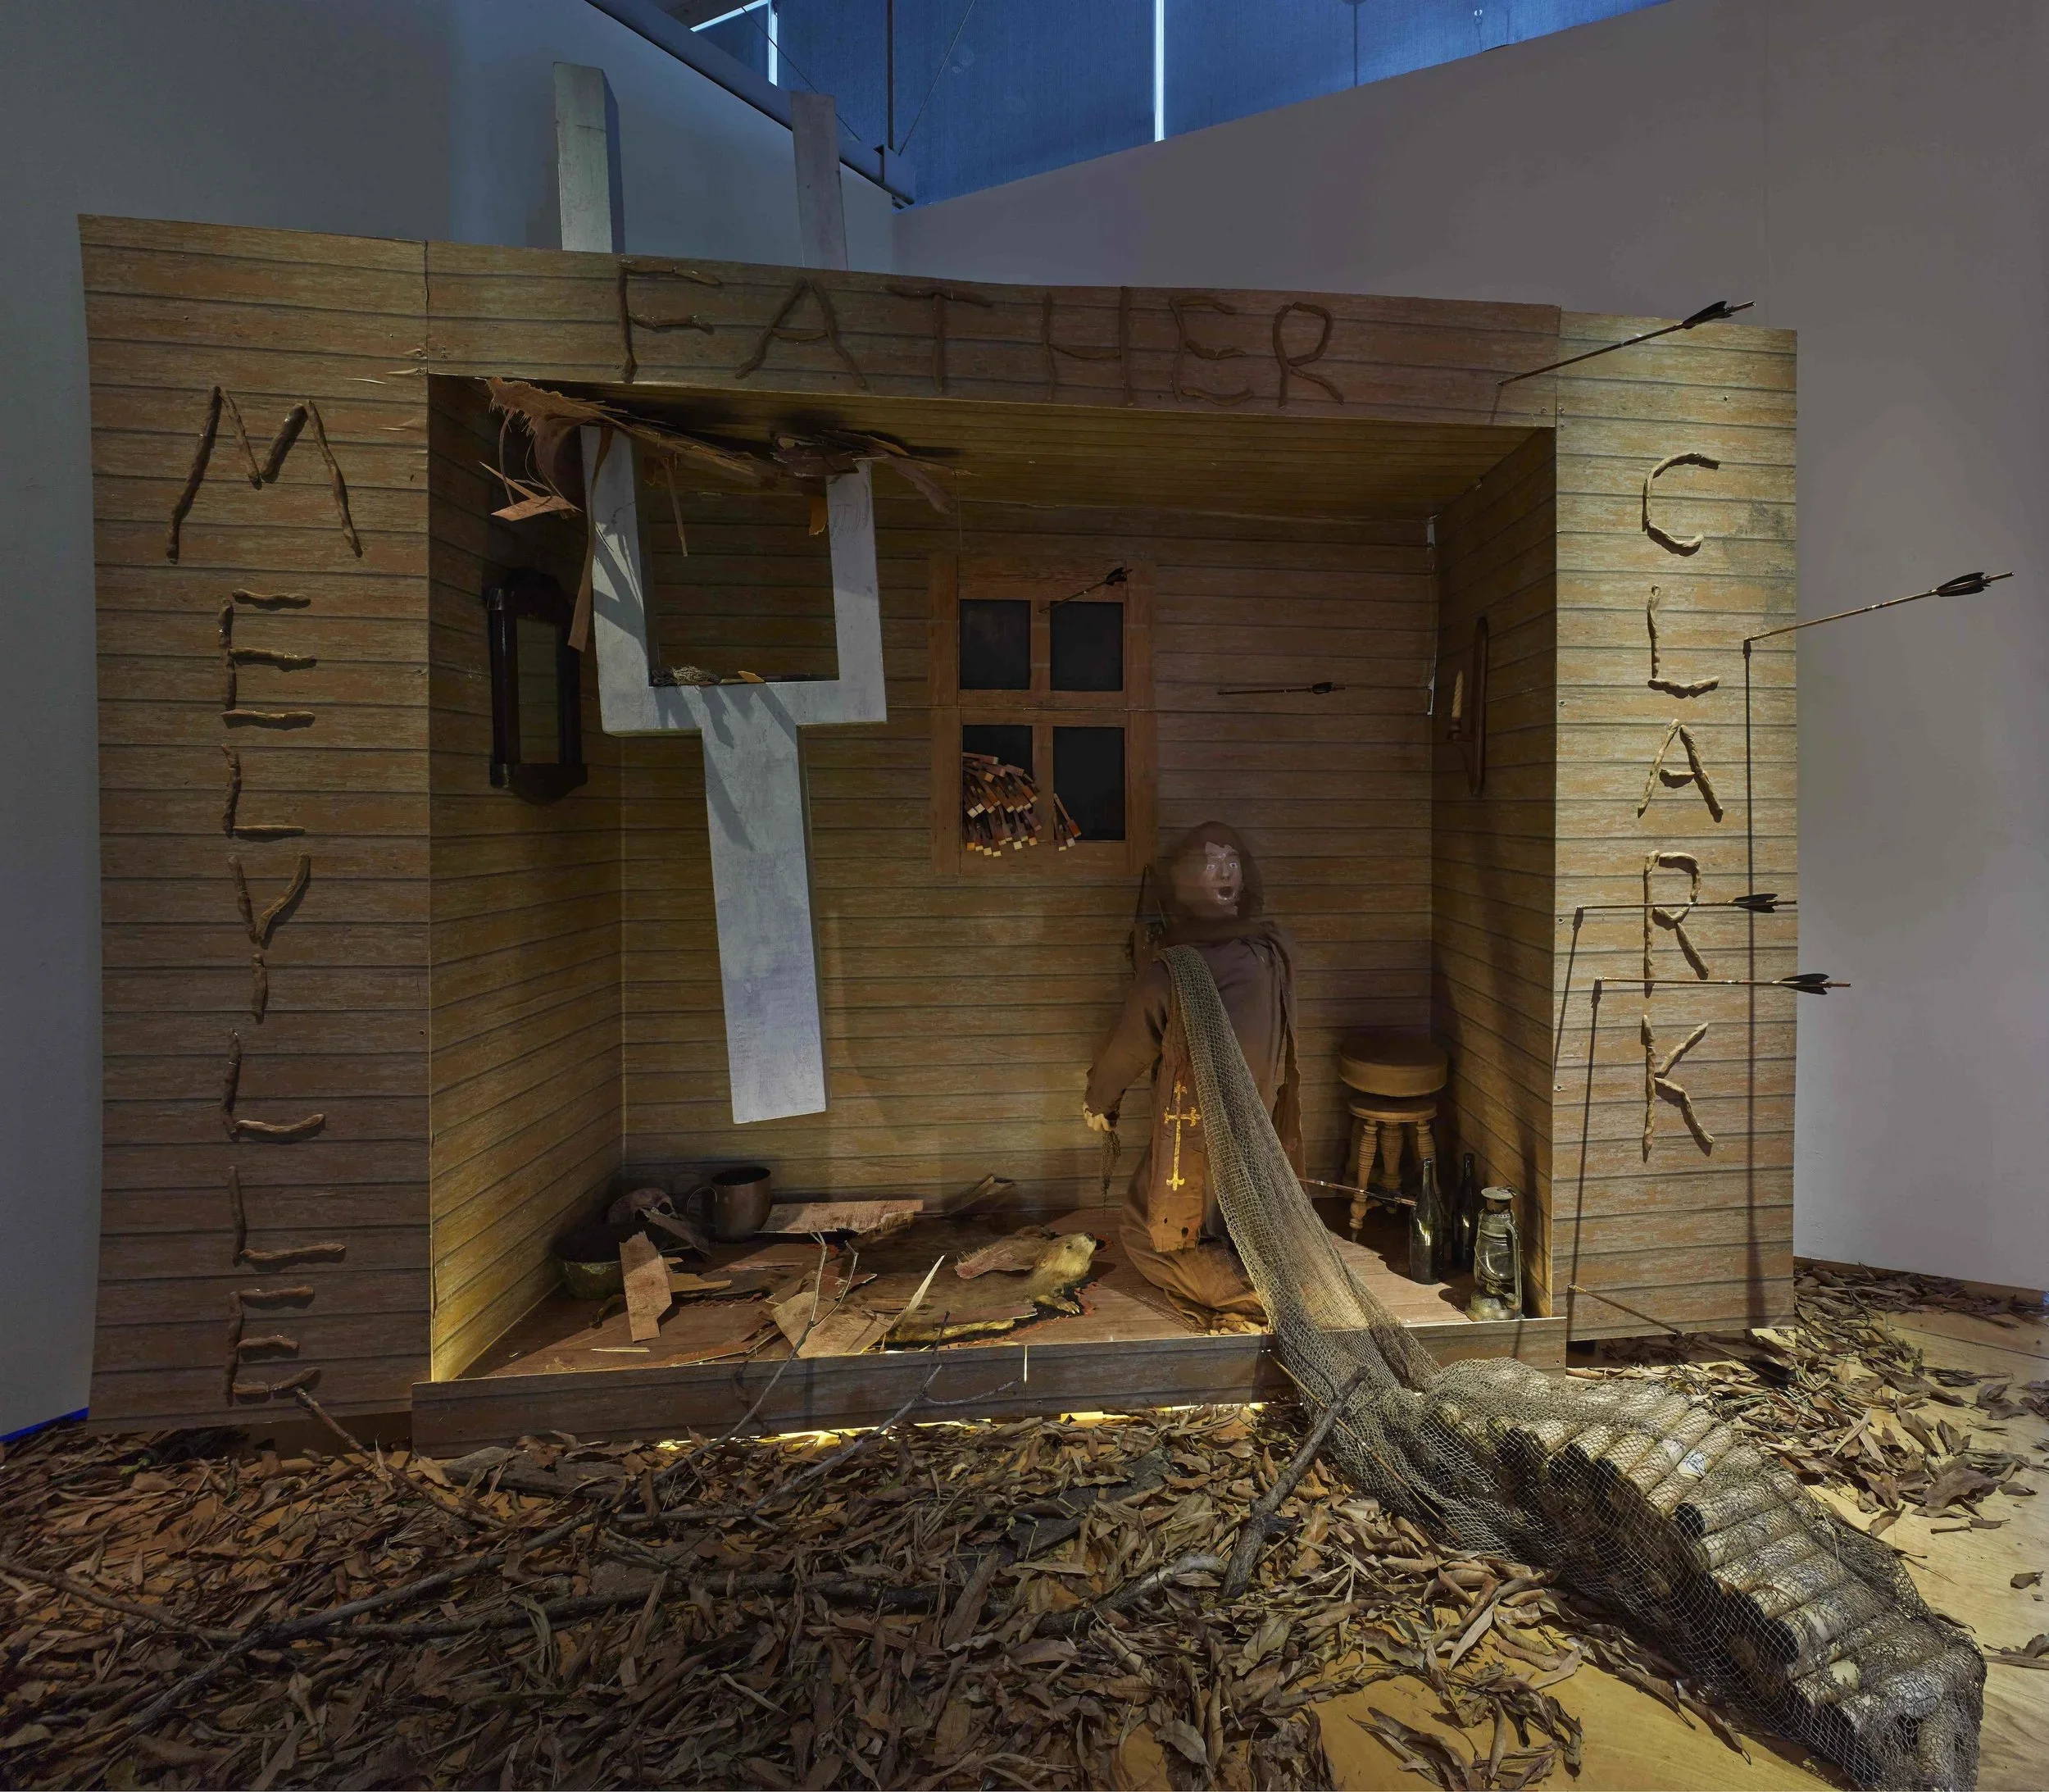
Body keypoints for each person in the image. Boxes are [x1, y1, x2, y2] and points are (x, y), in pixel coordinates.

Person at [1083, 821, 1301, 1317]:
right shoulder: (1270, 950)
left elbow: (1130, 1044)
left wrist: (1099, 1100)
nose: (1225, 873)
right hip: (1257, 1125)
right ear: (1185, 881)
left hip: (1200, 1129)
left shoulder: (1178, 967)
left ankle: (1254, 1298)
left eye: (1232, 862)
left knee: (1145, 1233)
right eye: (1211, 864)